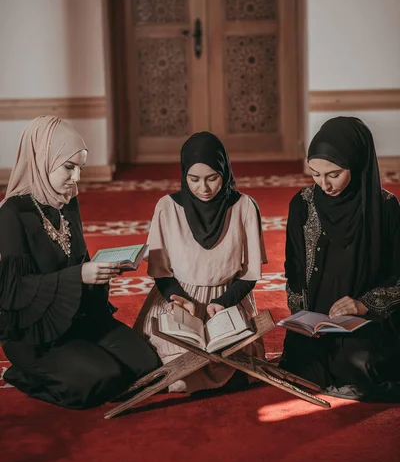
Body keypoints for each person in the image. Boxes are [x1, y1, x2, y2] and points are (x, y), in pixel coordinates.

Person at [0, 116, 160, 409]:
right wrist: (79, 276)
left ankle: (83, 356)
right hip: (36, 336)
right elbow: (14, 291)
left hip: (78, 317)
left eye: (80, 168)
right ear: (42, 159)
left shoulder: (68, 201)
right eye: (69, 167)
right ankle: (24, 374)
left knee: (147, 365)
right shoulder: (12, 213)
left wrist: (105, 269)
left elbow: (79, 260)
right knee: (102, 379)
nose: (76, 178)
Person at [134, 131, 267, 392]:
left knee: (230, 359)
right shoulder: (167, 207)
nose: (203, 189)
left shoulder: (245, 207)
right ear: (183, 174)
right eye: (193, 179)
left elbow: (250, 274)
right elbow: (161, 271)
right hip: (179, 300)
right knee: (176, 369)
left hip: (227, 300)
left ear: (225, 173)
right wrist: (177, 298)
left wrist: (223, 301)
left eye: (212, 178)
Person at [280, 116, 400, 400]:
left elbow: (398, 276)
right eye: (315, 174)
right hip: (318, 321)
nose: (324, 184)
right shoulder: (302, 203)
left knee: (362, 365)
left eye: (333, 174)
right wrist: (303, 318)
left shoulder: (385, 208)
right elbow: (294, 270)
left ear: (357, 164)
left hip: (367, 318)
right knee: (304, 363)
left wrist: (362, 305)